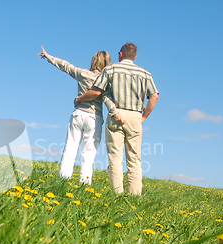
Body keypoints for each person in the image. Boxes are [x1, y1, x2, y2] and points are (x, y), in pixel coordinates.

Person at [76, 43, 159, 195]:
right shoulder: (145, 73)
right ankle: (134, 196)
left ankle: (117, 195)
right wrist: (144, 116)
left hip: (116, 114)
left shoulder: (111, 69)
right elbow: (154, 96)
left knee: (115, 158)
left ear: (121, 54)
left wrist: (80, 98)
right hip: (135, 116)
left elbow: (99, 91)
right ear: (135, 57)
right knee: (134, 160)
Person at [38, 46, 123, 184]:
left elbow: (65, 65)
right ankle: (85, 182)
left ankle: (63, 179)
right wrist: (116, 113)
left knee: (70, 148)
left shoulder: (82, 73)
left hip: (78, 115)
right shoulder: (107, 80)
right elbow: (108, 99)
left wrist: (48, 57)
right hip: (94, 117)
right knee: (89, 152)